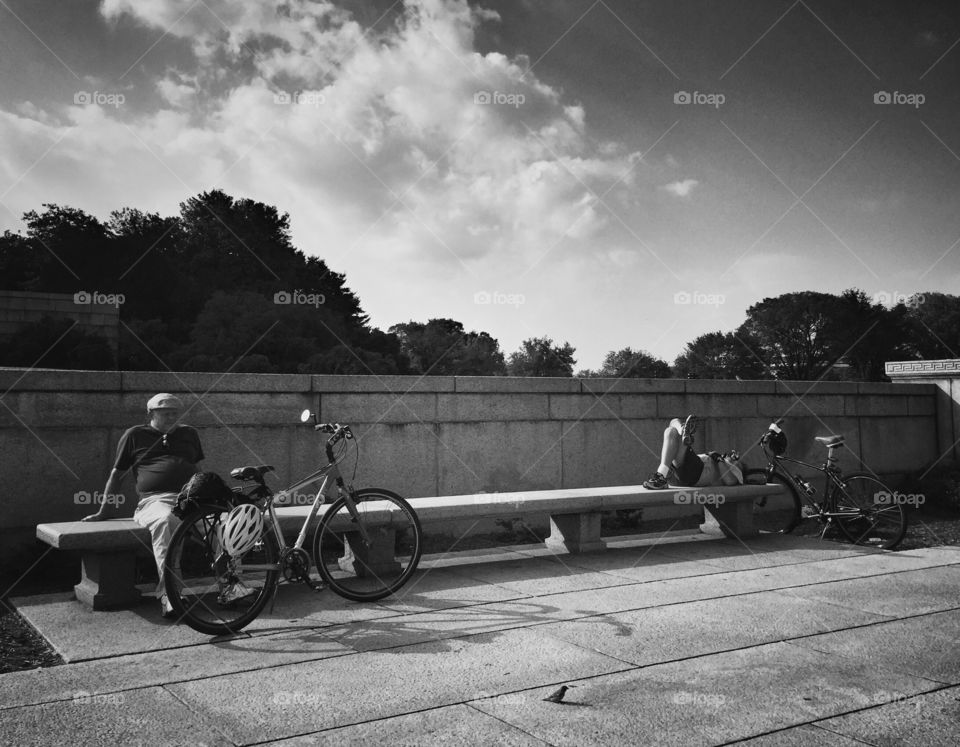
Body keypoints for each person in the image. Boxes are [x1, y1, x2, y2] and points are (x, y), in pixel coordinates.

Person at [82, 393, 206, 618]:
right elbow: (117, 476)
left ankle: (231, 587)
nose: (171, 416)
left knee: (229, 522)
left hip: (192, 497)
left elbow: (197, 468)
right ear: (150, 414)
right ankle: (171, 594)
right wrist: (104, 511)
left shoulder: (189, 433)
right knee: (166, 520)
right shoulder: (135, 435)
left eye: (175, 412)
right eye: (165, 412)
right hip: (155, 500)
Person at [642, 415, 743, 489]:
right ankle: (682, 430)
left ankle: (661, 475)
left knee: (672, 431)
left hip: (696, 475)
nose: (730, 455)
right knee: (671, 428)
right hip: (678, 474)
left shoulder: (736, 468)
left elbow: (730, 481)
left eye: (734, 456)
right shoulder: (720, 461)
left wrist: (719, 459)